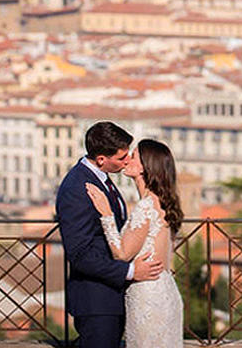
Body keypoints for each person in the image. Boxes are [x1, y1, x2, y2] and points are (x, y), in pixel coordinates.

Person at [56, 122, 164, 348]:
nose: (128, 161)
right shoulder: (77, 188)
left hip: (112, 299)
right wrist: (131, 271)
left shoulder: (102, 181)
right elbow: (80, 254)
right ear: (102, 159)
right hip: (96, 302)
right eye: (123, 157)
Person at [86, 137, 184, 348]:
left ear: (145, 167)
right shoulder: (164, 203)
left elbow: (122, 254)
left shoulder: (146, 207)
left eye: (135, 155)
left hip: (147, 296)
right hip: (166, 291)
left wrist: (106, 214)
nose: (127, 158)